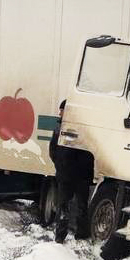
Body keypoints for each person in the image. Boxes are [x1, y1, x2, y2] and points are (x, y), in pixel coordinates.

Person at [48, 99, 94, 243]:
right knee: (76, 206)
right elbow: (53, 150)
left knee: (69, 207)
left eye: (62, 110)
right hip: (75, 175)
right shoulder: (63, 127)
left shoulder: (67, 129)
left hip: (74, 175)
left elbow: (54, 151)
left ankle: (66, 237)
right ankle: (74, 236)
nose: (59, 113)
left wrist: (61, 166)